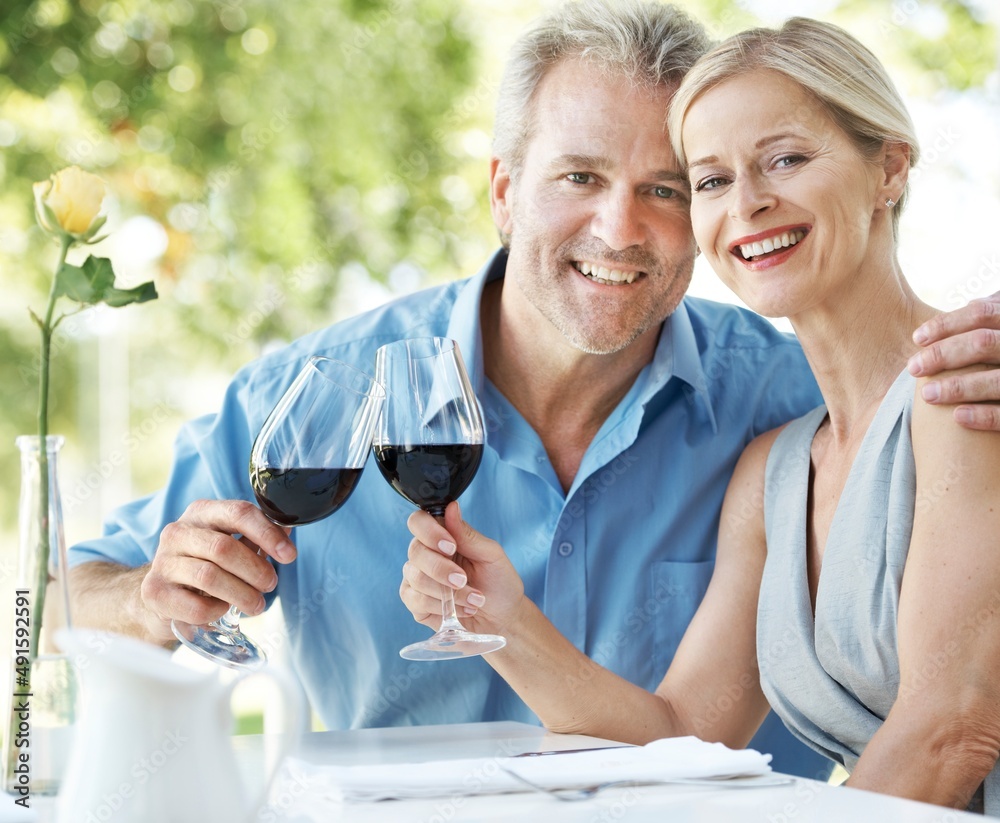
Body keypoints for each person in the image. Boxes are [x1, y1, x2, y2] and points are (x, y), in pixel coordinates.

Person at [68, 0, 998, 783]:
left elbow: (947, 713)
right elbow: (55, 594)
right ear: (506, 191)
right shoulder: (316, 397)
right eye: (580, 177)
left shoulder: (797, 396)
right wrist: (153, 599)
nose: (620, 226)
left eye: (671, 188)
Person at [400, 14, 1000, 813]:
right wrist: (504, 619)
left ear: (889, 168)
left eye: (784, 159)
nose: (747, 204)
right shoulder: (775, 471)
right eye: (710, 182)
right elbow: (683, 732)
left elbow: (952, 730)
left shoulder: (965, 392)